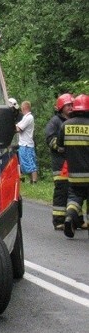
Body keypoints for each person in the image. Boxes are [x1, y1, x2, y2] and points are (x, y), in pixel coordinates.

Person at [58, 94, 89, 238]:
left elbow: (60, 147)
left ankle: (69, 217)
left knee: (74, 199)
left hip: (74, 174)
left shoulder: (65, 125)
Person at [44, 93, 74, 230]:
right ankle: (58, 220)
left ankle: (76, 219)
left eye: (72, 105)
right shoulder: (55, 121)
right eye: (68, 105)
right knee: (62, 191)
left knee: (75, 192)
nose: (70, 107)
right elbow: (50, 139)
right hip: (60, 164)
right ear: (61, 107)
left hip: (74, 163)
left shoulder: (75, 120)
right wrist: (61, 146)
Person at [15, 100, 37, 183]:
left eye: (21, 107)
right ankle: (31, 179)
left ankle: (34, 181)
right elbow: (18, 125)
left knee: (31, 163)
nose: (21, 109)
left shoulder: (29, 117)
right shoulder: (25, 117)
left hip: (27, 144)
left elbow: (18, 128)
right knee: (24, 163)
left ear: (24, 107)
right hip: (24, 144)